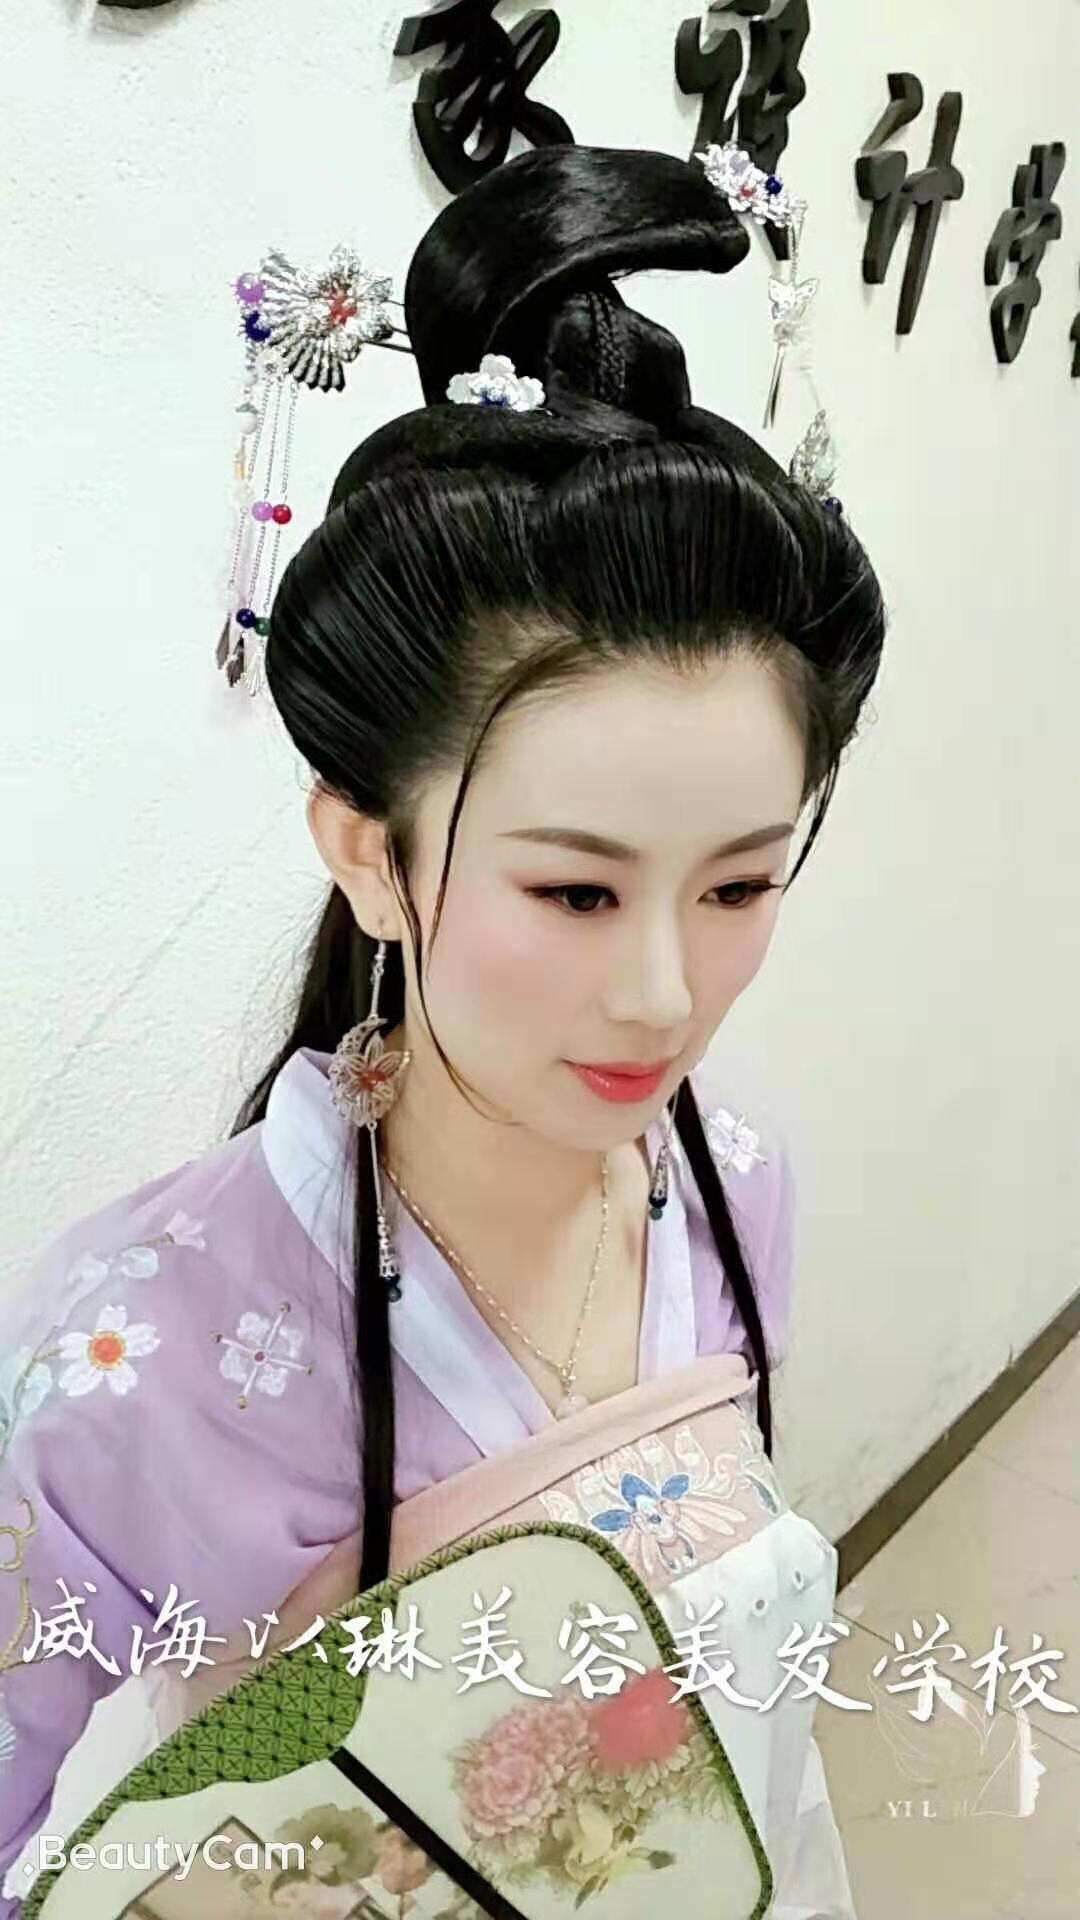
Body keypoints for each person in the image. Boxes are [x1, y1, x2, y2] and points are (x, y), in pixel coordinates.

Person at [0, 144, 885, 1917]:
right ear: (370, 854)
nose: (665, 994)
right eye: (573, 891)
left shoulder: (736, 1178)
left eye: (738, 884)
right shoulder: (139, 1352)